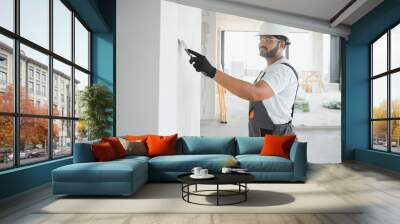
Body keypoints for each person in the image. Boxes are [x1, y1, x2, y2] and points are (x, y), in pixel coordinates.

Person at [188, 22, 299, 137]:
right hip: (264, 133)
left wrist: (212, 71)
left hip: (275, 137)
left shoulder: (281, 70)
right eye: (261, 39)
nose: (262, 44)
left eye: (268, 40)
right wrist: (209, 71)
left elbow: (254, 93)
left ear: (282, 45)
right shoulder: (270, 68)